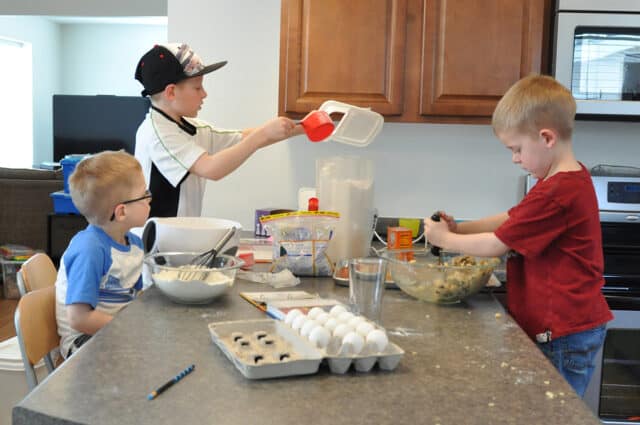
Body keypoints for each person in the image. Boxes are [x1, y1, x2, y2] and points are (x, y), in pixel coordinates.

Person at [423, 74, 612, 397]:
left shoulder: (560, 190)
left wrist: (445, 240)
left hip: (563, 333)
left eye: (517, 149)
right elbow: (514, 218)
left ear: (547, 138)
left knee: (554, 417)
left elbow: (497, 244)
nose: (515, 158)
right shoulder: (560, 178)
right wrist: (460, 228)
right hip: (565, 328)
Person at [134, 43, 305, 217]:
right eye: (197, 87)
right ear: (171, 92)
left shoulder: (192, 128)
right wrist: (262, 134)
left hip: (179, 238)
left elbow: (243, 138)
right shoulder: (157, 133)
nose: (204, 94)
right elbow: (211, 168)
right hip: (157, 241)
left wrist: (305, 126)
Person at [55, 151, 151, 358]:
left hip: (114, 330)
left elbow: (135, 296)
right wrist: (130, 329)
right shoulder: (90, 251)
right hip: (84, 343)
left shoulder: (134, 243)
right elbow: (78, 319)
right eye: (145, 194)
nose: (150, 199)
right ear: (122, 212)